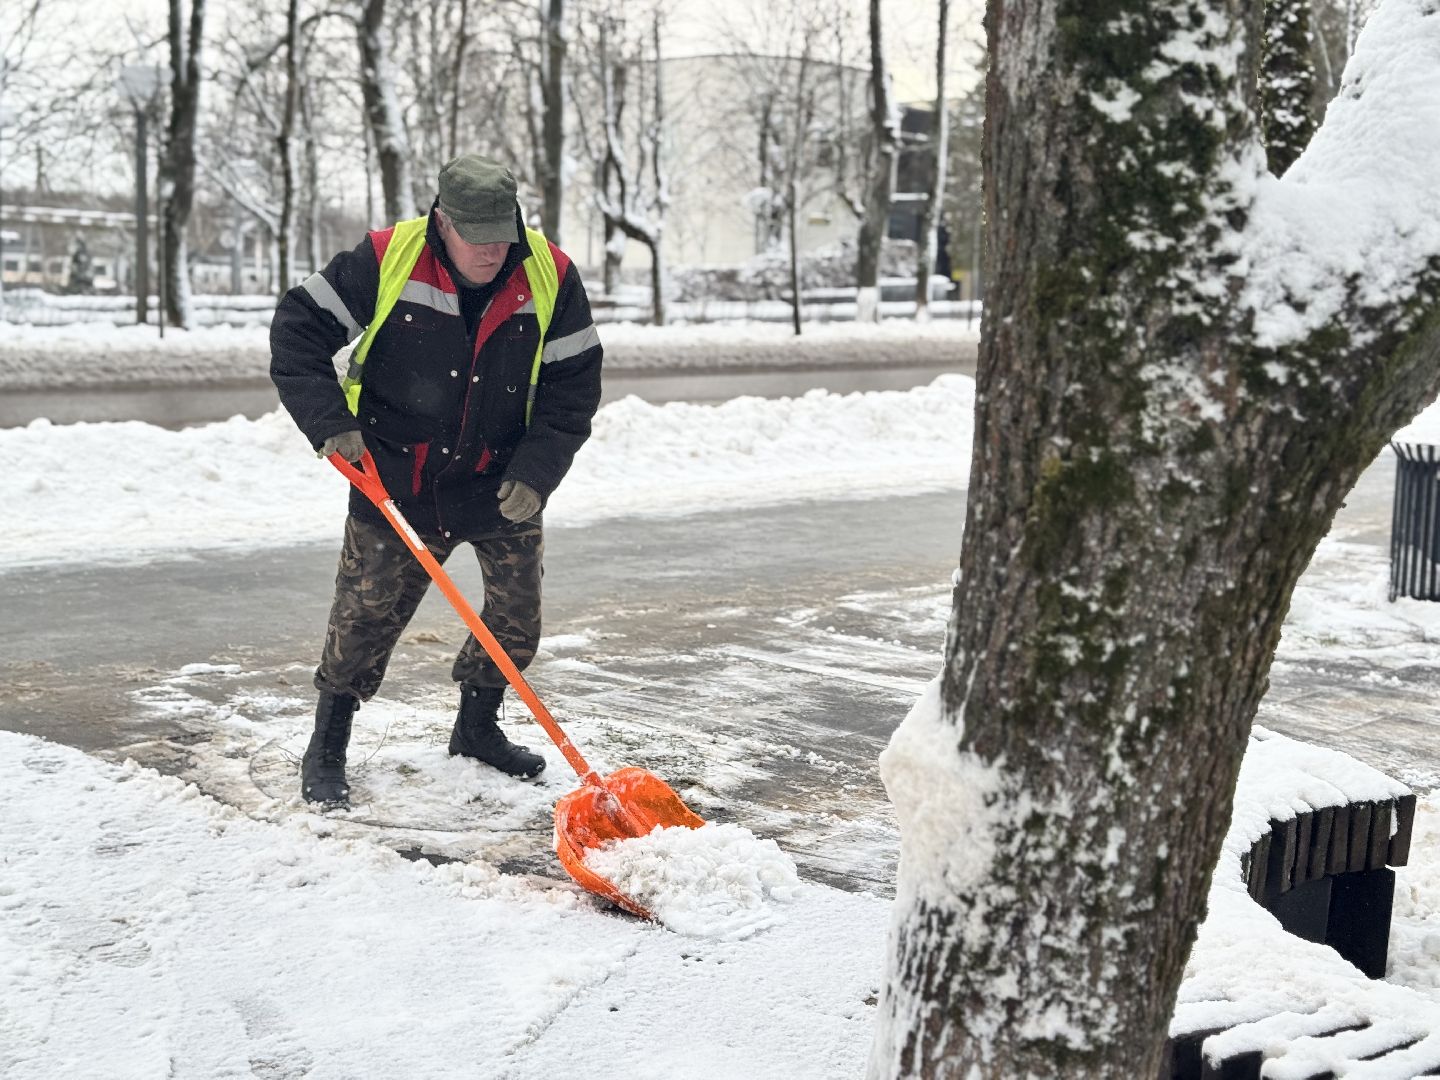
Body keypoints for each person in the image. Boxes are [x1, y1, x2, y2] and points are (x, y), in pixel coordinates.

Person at [270, 154, 603, 805]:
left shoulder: (551, 274)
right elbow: (298, 328)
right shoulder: (386, 257)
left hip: (502, 480)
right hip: (397, 478)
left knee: (516, 616)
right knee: (363, 615)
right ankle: (329, 742)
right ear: (441, 220)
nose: (490, 250)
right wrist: (330, 422)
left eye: (500, 233)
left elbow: (574, 385)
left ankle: (477, 729)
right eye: (475, 235)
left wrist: (538, 472)